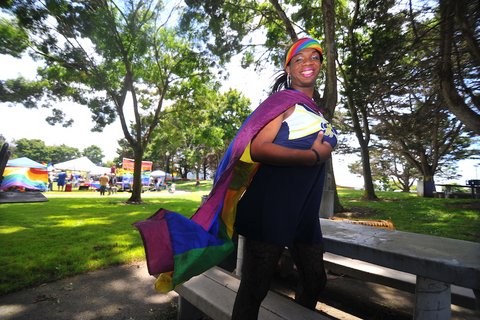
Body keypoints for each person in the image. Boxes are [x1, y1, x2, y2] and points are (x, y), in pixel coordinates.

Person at [231, 37, 338, 319]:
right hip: (271, 208)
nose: (307, 63)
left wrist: (318, 155)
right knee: (255, 288)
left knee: (316, 280)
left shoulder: (317, 110)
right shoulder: (282, 102)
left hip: (304, 214)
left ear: (321, 65)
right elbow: (258, 148)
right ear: (288, 68)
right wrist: (312, 157)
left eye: (313, 57)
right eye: (299, 59)